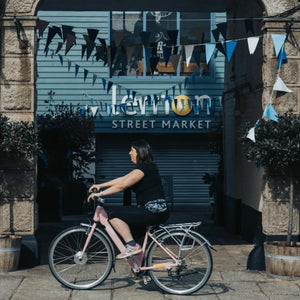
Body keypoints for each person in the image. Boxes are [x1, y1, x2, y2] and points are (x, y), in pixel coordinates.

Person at [88, 139, 169, 259]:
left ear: (139, 152)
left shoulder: (145, 168)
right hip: (152, 211)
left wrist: (100, 194)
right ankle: (140, 271)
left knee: (114, 216)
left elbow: (122, 185)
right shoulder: (143, 168)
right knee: (130, 234)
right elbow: (122, 179)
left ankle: (132, 246)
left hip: (153, 211)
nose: (129, 153)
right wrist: (100, 185)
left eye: (132, 150)